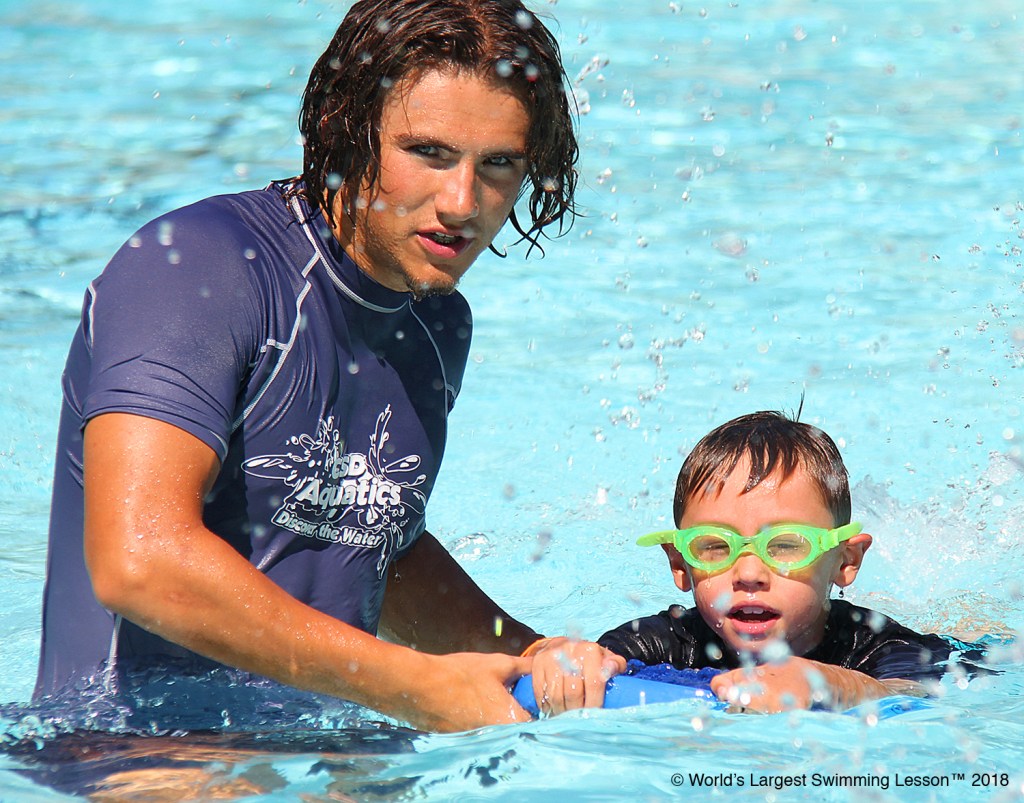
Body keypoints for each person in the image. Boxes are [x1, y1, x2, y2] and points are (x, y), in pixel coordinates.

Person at [35, 0, 578, 734]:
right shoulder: (201, 266)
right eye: (429, 152)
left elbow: (366, 533)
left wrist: (533, 653)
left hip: (332, 756)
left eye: (500, 164)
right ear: (345, 128)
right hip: (137, 757)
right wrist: (413, 684)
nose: (462, 202)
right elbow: (139, 560)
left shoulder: (435, 320)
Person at [524, 411, 981, 715]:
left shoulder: (874, 646)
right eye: (715, 547)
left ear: (845, 561)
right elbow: (599, 663)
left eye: (785, 545)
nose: (747, 574)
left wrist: (835, 685)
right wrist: (568, 657)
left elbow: (925, 689)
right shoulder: (665, 643)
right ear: (680, 565)